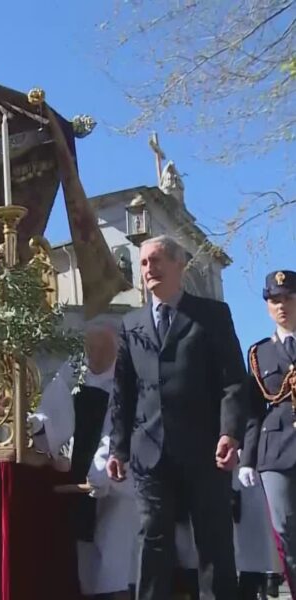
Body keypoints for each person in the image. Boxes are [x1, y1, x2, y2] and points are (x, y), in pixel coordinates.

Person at [107, 235, 246, 600]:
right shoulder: (131, 324)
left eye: (156, 260)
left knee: (213, 541)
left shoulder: (213, 315)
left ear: (178, 264)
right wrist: (118, 448)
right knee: (152, 538)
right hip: (149, 452)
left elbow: (233, 381)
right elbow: (123, 391)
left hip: (205, 451)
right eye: (143, 263)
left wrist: (230, 433)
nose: (148, 269)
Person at [30, 320, 138, 599]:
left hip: (118, 482)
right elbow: (54, 410)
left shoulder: (128, 376)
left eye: (104, 347)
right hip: (77, 475)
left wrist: (101, 471)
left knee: (114, 551)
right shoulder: (74, 369)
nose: (96, 354)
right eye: (91, 347)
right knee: (83, 552)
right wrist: (39, 428)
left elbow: (118, 429)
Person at [239, 269, 296, 586]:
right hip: (275, 450)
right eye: (275, 300)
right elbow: (253, 411)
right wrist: (247, 458)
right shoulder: (259, 353)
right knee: (286, 530)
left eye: (288, 298)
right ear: (267, 306)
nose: (282, 305)